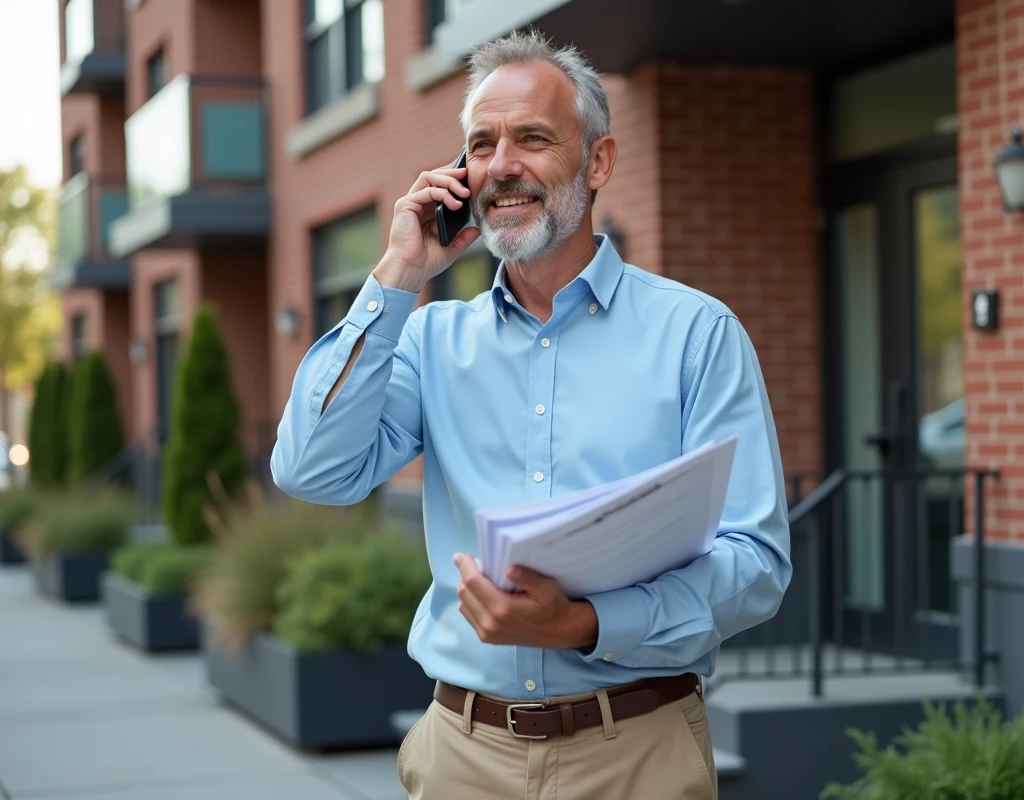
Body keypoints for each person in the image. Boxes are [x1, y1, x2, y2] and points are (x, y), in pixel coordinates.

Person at [271, 29, 791, 800]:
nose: (503, 165)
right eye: (481, 145)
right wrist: (398, 273)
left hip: (635, 754)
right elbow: (312, 470)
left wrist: (588, 623)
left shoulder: (696, 334)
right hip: (463, 757)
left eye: (533, 138)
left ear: (599, 162)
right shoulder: (429, 338)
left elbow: (756, 565)